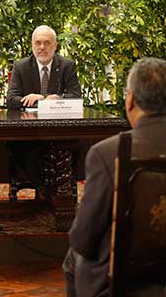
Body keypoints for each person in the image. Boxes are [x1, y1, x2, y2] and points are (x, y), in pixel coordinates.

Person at [63, 57, 166, 296]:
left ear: (130, 100)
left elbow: (83, 240)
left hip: (123, 280)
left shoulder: (108, 153)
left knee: (73, 257)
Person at [6, 25, 82, 189]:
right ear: (32, 45)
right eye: (38, 43)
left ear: (55, 45)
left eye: (47, 43)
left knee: (70, 145)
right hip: (29, 129)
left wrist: (51, 98)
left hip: (59, 129)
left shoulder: (67, 65)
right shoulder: (21, 66)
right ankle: (44, 189)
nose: (42, 47)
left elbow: (76, 96)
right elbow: (11, 100)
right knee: (22, 147)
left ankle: (54, 190)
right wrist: (42, 101)